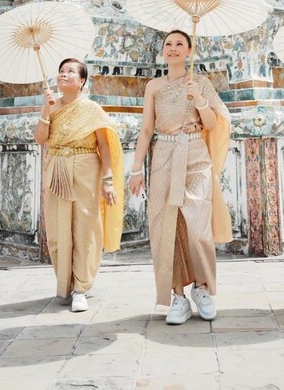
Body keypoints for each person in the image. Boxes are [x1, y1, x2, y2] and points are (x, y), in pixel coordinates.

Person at [128, 30, 232, 325]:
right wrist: (136, 169)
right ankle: (177, 296)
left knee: (198, 226)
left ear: (189, 51)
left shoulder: (200, 82)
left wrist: (199, 99)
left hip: (196, 154)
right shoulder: (154, 86)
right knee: (165, 227)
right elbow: (147, 129)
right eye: (168, 44)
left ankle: (202, 289)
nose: (173, 49)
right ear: (163, 51)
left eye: (179, 45)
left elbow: (213, 122)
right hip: (164, 154)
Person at [34, 58, 124, 312]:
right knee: (58, 228)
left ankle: (81, 288)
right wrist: (45, 109)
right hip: (57, 167)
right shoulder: (52, 106)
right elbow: (41, 139)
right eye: (61, 70)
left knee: (85, 227)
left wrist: (108, 181)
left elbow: (104, 146)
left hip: (86, 168)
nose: (63, 74)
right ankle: (64, 283)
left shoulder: (92, 109)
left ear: (82, 80)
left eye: (70, 71)